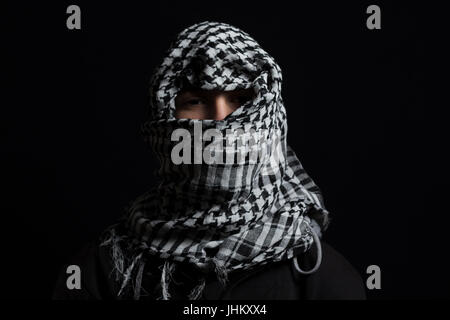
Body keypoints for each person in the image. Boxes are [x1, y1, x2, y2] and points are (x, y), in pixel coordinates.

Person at [52, 21, 366, 300]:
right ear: (164, 119)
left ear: (271, 121)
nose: (220, 120)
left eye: (240, 100)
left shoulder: (316, 272)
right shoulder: (104, 266)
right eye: (195, 101)